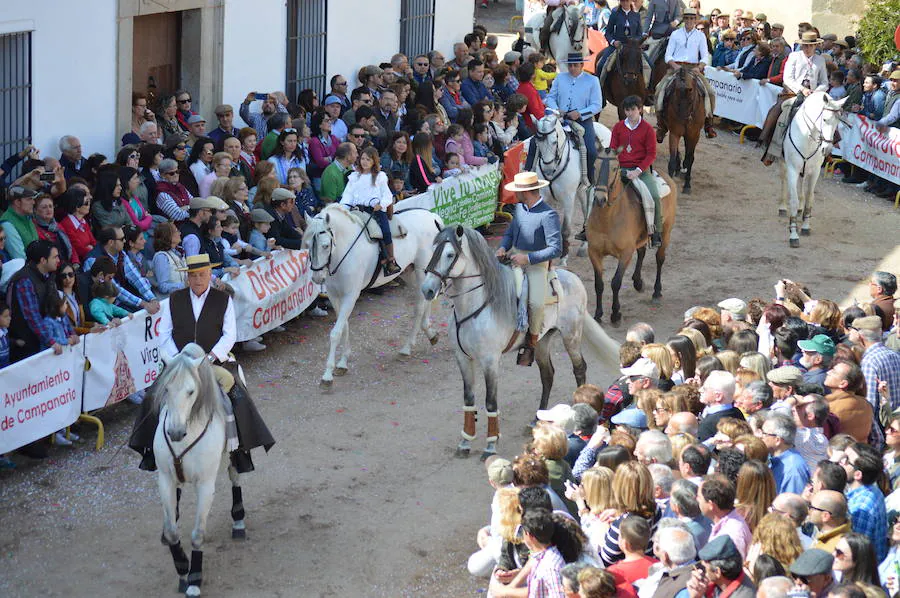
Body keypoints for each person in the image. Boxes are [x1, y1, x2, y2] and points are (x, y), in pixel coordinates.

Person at [130, 252, 274, 474]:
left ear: (209, 274)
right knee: (153, 395)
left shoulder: (223, 299)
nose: (198, 280)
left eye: (202, 274)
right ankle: (149, 449)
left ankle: (239, 450)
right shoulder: (173, 300)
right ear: (187, 277)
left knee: (236, 392)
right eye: (194, 275)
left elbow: (229, 335)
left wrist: (210, 357)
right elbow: (164, 334)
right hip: (179, 362)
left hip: (213, 362)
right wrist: (178, 359)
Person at [496, 172, 561, 367]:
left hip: (535, 264)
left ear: (527, 192)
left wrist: (528, 258)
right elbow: (510, 232)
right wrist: (502, 247)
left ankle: (531, 341)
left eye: (518, 191)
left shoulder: (548, 214)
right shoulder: (520, 208)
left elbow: (555, 248)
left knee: (536, 303)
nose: (515, 194)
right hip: (514, 257)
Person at [761, 31, 829, 165]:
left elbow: (824, 82)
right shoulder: (793, 56)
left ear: (815, 46)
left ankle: (826, 151)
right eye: (805, 46)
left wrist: (815, 91)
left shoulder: (820, 61)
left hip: (813, 95)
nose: (807, 48)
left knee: (828, 116)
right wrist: (802, 89)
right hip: (792, 92)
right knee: (780, 113)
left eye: (810, 46)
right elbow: (787, 78)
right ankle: (772, 150)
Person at [655, 8, 718, 141]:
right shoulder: (675, 34)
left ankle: (709, 125)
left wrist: (700, 66)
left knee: (710, 92)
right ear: (684, 19)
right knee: (659, 90)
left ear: (695, 20)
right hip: (676, 67)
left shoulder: (701, 36)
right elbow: (668, 55)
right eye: (687, 18)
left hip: (693, 69)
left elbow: (705, 56)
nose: (689, 21)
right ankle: (661, 125)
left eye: (692, 18)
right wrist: (674, 65)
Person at [609, 95, 662, 247]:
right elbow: (613, 149)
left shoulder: (648, 130)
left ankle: (656, 231)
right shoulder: (618, 127)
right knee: (597, 189)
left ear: (640, 109)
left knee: (654, 195)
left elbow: (651, 154)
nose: (630, 113)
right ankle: (588, 227)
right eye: (627, 110)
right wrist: (617, 168)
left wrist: (638, 171)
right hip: (621, 169)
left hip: (641, 170)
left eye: (633, 110)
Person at [338, 147, 400, 275]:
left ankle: (390, 260)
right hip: (357, 209)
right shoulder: (354, 176)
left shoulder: (380, 176)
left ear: (374, 161)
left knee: (385, 231)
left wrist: (381, 204)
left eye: (368, 159)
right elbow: (347, 195)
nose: (364, 162)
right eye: (363, 159)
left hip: (375, 210)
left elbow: (387, 196)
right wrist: (342, 209)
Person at [544, 53, 603, 186]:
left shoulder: (593, 80)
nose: (572, 68)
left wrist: (580, 113)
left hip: (582, 120)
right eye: (570, 65)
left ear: (582, 65)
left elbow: (597, 105)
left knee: (591, 151)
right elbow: (550, 97)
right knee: (542, 141)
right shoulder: (560, 78)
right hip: (560, 118)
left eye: (575, 65)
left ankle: (589, 179)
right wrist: (557, 109)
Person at [6, 240, 65, 361]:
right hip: (27, 349)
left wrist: (70, 333)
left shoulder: (49, 276)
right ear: (43, 260)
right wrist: (51, 341)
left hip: (44, 343)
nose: (58, 260)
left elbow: (58, 308)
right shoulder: (24, 280)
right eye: (55, 257)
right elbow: (32, 316)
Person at [699, 474, 752, 558]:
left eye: (699, 497)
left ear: (711, 505)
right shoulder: (729, 524)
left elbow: (734, 569)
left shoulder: (731, 535)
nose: (696, 499)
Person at [685, 535, 757, 598]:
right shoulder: (729, 582)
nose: (702, 573)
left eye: (704, 569)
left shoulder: (743, 595)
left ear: (717, 572)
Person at [0, 186, 40, 260]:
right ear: (17, 202)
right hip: (25, 270)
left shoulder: (27, 217)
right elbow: (20, 258)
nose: (33, 202)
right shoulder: (7, 224)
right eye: (29, 199)